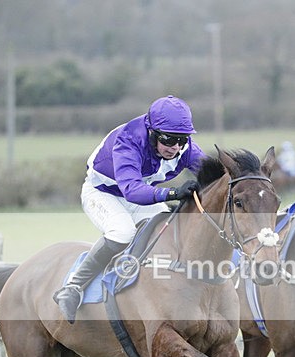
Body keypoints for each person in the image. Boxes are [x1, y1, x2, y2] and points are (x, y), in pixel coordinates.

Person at [53, 95, 206, 323]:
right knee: (122, 232)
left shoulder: (183, 148)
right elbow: (132, 190)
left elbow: (217, 175)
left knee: (170, 229)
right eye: (168, 139)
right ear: (152, 132)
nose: (175, 147)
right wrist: (172, 193)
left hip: (139, 195)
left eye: (182, 140)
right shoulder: (129, 140)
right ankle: (74, 286)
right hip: (104, 193)